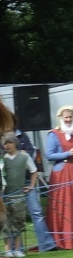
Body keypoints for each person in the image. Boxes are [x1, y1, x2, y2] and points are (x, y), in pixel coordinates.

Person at [7, 117, 57, 253]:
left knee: (36, 212)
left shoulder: (23, 136)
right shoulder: (1, 138)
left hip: (29, 181)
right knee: (13, 217)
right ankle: (16, 249)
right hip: (12, 186)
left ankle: (46, 245)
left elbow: (31, 154)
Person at [1, 132, 37, 258]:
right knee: (6, 223)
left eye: (9, 143)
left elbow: (33, 171)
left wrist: (32, 185)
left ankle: (17, 249)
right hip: (5, 196)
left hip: (18, 195)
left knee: (18, 221)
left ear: (15, 143)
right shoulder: (2, 160)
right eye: (5, 143)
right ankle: (7, 250)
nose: (7, 146)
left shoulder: (24, 156)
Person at [46, 105, 73, 249]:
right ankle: (63, 239)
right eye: (66, 117)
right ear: (61, 118)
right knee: (63, 205)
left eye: (70, 117)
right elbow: (49, 155)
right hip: (62, 173)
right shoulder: (54, 134)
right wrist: (67, 154)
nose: (68, 120)